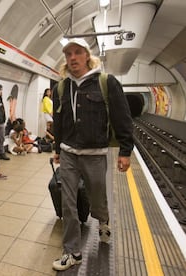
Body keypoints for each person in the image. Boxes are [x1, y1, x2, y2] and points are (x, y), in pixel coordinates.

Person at [51, 38, 133, 271]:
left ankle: (103, 221)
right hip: (68, 153)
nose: (73, 58)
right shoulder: (61, 87)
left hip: (95, 153)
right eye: (68, 54)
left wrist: (125, 151)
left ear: (87, 56)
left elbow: (122, 117)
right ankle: (72, 252)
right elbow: (59, 120)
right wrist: (57, 148)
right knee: (68, 203)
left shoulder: (106, 83)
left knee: (96, 198)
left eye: (77, 53)